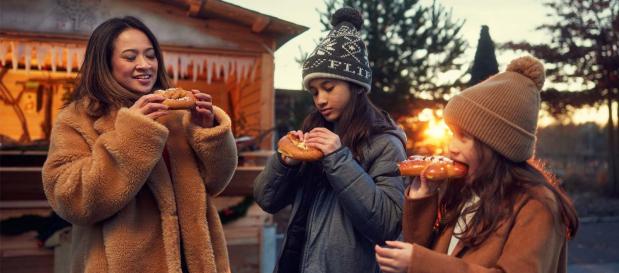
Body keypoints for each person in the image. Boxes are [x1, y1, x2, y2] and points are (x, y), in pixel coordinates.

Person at [42, 16, 237, 273]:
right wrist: (133, 135)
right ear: (105, 62)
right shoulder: (78, 119)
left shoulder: (176, 114)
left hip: (195, 261)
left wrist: (206, 131)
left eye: (150, 55)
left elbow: (215, 182)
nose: (145, 65)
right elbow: (71, 200)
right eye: (130, 57)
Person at [375, 56, 579, 273]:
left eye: (464, 137)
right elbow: (426, 253)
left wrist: (421, 263)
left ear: (497, 145)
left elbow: (427, 264)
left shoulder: (538, 206)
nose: (451, 147)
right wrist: (422, 199)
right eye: (452, 134)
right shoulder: (466, 190)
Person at [253, 7, 407, 273]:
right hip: (294, 263)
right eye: (314, 91)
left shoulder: (385, 143)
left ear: (355, 86)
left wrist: (338, 159)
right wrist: (285, 163)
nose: (320, 99)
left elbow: (388, 223)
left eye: (329, 87)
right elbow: (267, 200)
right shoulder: (312, 134)